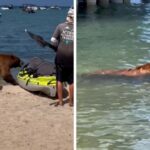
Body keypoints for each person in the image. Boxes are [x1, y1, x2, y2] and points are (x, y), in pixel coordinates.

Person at [50, 7, 74, 106]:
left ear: (67, 16)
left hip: (60, 57)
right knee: (71, 81)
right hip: (72, 58)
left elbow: (53, 40)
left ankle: (60, 101)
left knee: (59, 80)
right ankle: (71, 102)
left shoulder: (60, 26)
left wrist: (57, 46)